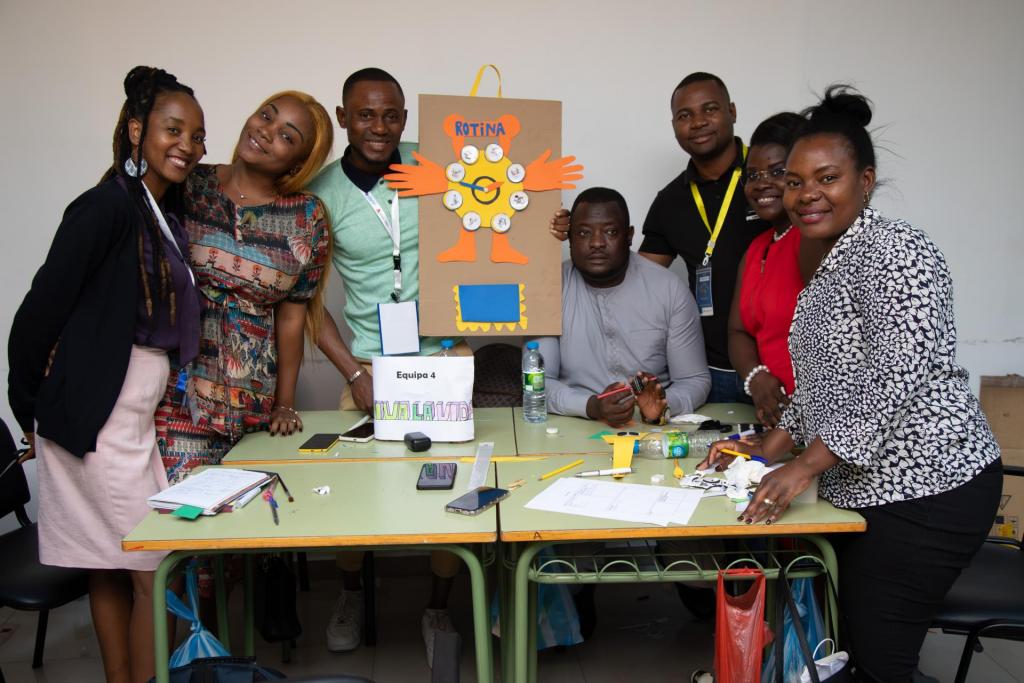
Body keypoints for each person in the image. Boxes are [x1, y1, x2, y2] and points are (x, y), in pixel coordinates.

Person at [700, 86, 1002, 683]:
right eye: (793, 180)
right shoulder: (830, 258)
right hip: (873, 490)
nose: (806, 194)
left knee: (880, 660)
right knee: (857, 648)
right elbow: (822, 386)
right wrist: (766, 449)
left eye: (827, 178)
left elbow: (891, 380)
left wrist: (804, 467)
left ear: (865, 181)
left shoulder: (897, 252)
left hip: (930, 489)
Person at [8, 66, 205, 683]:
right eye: (174, 130)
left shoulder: (159, 211)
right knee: (153, 561)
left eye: (198, 136)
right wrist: (30, 409)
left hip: (134, 416)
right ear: (136, 130)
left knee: (112, 561)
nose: (188, 146)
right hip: (95, 417)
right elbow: (37, 313)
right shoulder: (104, 208)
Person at [307, 67, 470, 666]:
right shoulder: (321, 193)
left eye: (393, 114)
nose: (381, 127)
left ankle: (438, 605)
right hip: (370, 370)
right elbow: (303, 301)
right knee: (355, 495)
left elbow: (491, 219)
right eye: (367, 114)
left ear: (405, 116)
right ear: (344, 116)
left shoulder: (436, 163)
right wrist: (354, 374)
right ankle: (349, 595)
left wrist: (542, 225)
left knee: (451, 493)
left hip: (443, 360)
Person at [551, 72, 766, 402]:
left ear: (732, 111)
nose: (697, 123)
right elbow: (636, 279)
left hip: (776, 362)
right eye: (684, 115)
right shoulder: (670, 201)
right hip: (715, 367)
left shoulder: (768, 179)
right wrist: (568, 238)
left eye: (709, 109)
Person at [156, 90, 334, 484]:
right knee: (184, 524)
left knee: (252, 525)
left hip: (254, 405)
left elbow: (293, 315)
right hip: (179, 397)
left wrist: (284, 405)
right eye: (266, 116)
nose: (267, 132)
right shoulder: (189, 184)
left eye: (287, 136)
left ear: (299, 163)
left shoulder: (307, 218)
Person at [534, 187, 710, 426]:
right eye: (584, 233)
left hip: (654, 429)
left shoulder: (669, 289)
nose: (596, 243)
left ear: (629, 236)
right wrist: (591, 405)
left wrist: (663, 404)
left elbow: (695, 379)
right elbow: (537, 382)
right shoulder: (548, 289)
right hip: (573, 424)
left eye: (610, 231)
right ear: (570, 237)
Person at [728, 112, 826, 427]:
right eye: (753, 174)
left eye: (777, 171)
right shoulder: (757, 248)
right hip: (781, 422)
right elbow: (738, 330)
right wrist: (756, 378)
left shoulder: (816, 239)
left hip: (827, 421)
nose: (762, 184)